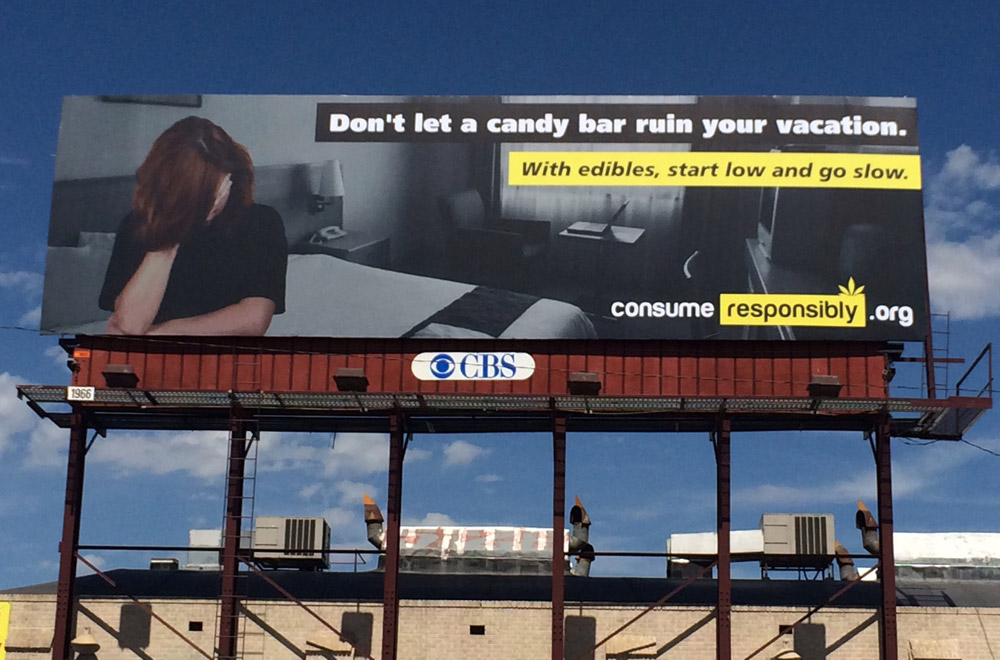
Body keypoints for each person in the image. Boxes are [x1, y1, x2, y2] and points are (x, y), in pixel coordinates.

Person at [99, 116, 287, 335]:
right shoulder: (136, 224)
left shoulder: (260, 221)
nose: (200, 202)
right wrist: (170, 233)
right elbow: (131, 325)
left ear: (229, 179)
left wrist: (156, 335)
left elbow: (254, 320)